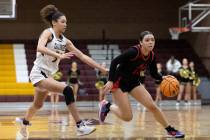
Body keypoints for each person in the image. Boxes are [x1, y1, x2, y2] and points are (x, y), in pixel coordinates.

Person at [15, 5, 107, 139]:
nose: (65, 24)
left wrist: (101, 68)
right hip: (38, 73)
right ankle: (80, 126)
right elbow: (39, 47)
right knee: (68, 90)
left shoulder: (65, 41)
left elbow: (82, 56)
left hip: (49, 76)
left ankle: (23, 126)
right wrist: (59, 56)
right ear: (54, 22)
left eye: (66, 22)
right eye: (63, 21)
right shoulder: (48, 32)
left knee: (38, 104)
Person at [99, 31, 185, 138]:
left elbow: (153, 73)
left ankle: (170, 130)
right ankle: (107, 106)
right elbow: (114, 62)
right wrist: (111, 80)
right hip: (119, 82)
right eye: (147, 40)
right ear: (141, 42)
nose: (150, 42)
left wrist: (163, 78)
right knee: (127, 117)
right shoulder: (133, 52)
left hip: (134, 82)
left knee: (152, 106)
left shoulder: (152, 56)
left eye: (152, 40)